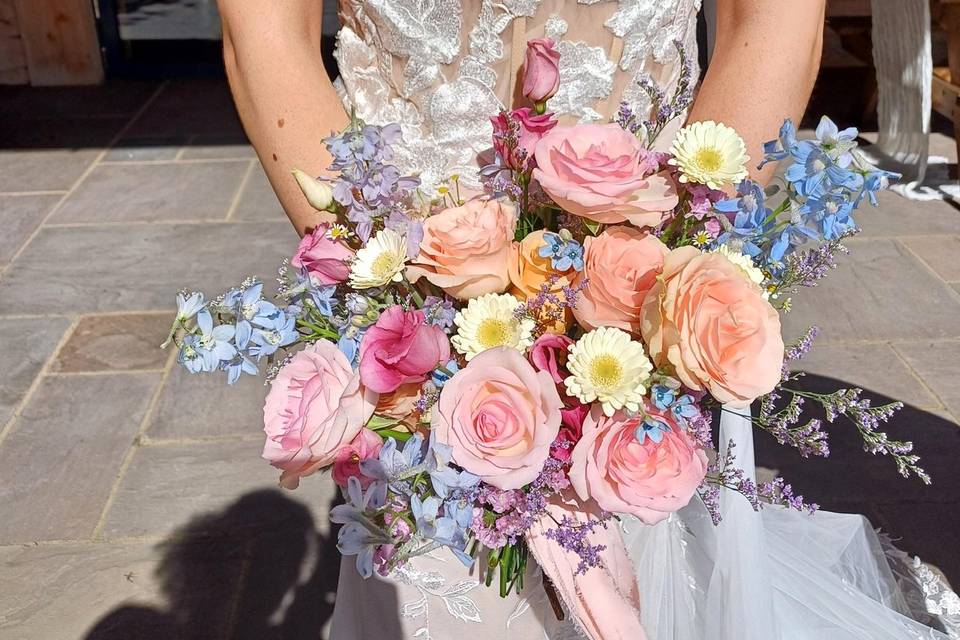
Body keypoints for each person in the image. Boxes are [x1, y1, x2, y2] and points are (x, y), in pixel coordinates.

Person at [213, 2, 960, 638]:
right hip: (412, 347)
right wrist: (401, 311)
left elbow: (769, 19)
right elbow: (264, 32)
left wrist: (661, 294)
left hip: (632, 322)